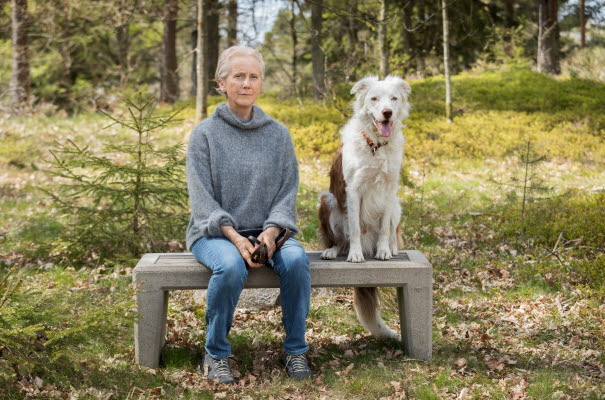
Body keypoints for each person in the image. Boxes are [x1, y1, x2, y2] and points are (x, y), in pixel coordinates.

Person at [186, 45, 312, 384]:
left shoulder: (278, 134)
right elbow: (202, 200)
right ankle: (215, 353)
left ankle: (296, 351)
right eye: (238, 76)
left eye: (253, 76)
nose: (246, 83)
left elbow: (287, 192)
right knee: (229, 265)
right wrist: (237, 238)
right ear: (221, 83)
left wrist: (270, 235)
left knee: (297, 261)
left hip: (269, 230)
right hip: (214, 233)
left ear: (260, 83)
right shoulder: (204, 135)